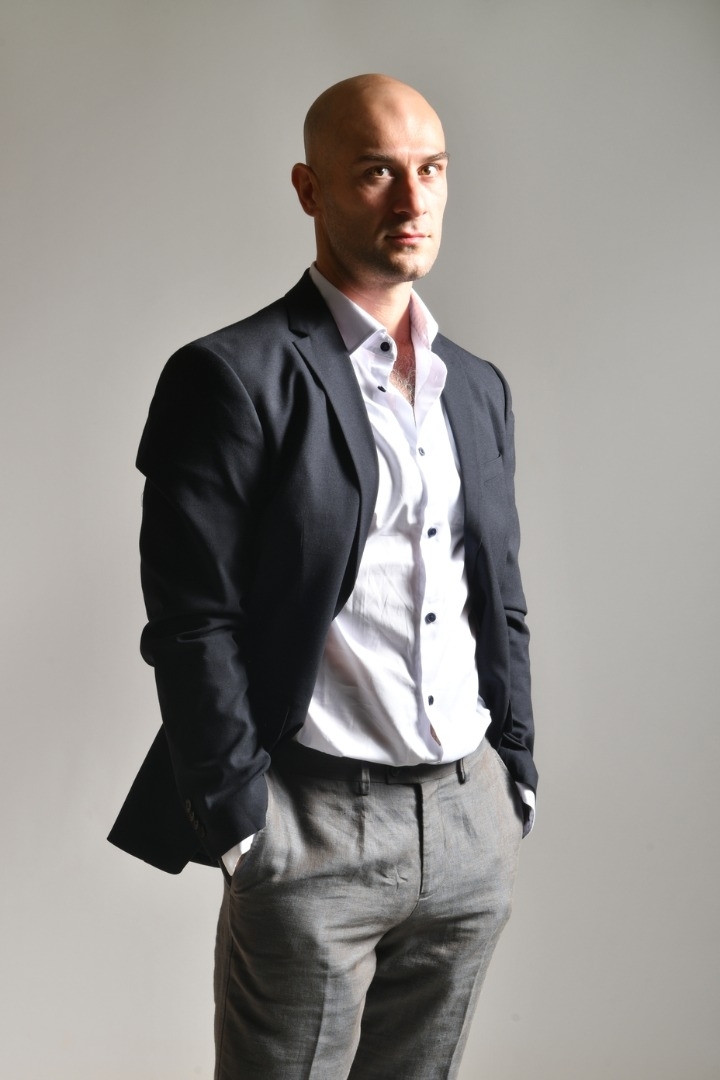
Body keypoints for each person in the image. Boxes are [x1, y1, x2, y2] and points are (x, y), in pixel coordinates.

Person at [109, 73, 538, 1080]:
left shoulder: (475, 386)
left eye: (432, 170)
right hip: (311, 827)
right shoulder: (231, 376)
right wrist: (242, 826)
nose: (413, 199)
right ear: (310, 189)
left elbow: (497, 592)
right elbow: (192, 622)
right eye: (377, 172)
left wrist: (514, 776)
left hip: (467, 823)